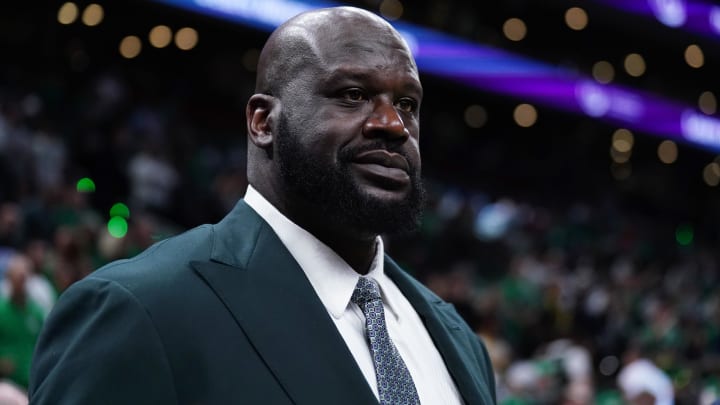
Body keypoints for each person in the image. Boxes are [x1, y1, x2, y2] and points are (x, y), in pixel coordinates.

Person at [29, 6, 496, 404]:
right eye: (353, 95)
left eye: (408, 104)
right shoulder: (139, 310)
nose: (393, 124)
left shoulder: (457, 337)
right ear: (262, 122)